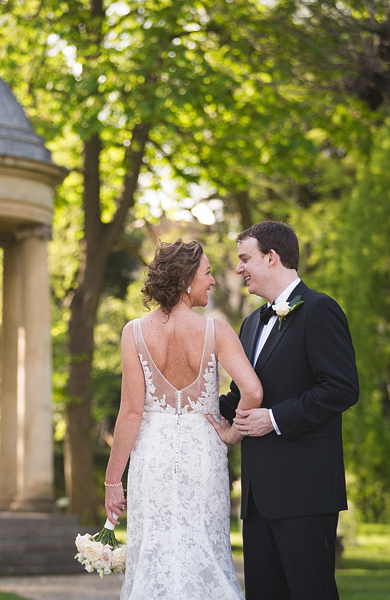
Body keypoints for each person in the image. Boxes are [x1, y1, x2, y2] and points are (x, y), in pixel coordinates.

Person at [104, 239, 263, 599]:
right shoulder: (216, 331)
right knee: (205, 546)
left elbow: (130, 410)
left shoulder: (134, 332)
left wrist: (113, 482)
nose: (213, 281)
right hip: (203, 449)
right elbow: (252, 390)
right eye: (207, 274)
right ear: (186, 280)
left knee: (154, 551)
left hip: (153, 453)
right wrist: (234, 432)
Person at [214, 221, 359, 600]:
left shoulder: (320, 310)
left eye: (245, 259)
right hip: (259, 499)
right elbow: (239, 396)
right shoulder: (249, 324)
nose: (239, 268)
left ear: (272, 257)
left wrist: (275, 419)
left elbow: (341, 388)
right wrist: (188, 408)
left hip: (306, 494)